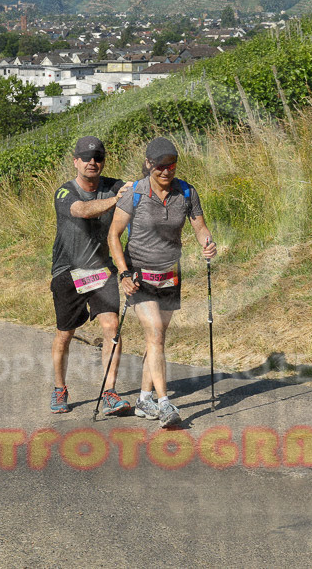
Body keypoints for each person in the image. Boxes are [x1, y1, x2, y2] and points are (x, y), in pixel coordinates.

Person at [107, 137, 216, 428]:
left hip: (170, 275)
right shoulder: (136, 193)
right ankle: (165, 404)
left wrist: (208, 243)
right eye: (159, 166)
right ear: (148, 164)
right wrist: (123, 272)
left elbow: (200, 227)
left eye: (171, 166)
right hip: (139, 276)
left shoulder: (187, 192)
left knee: (157, 340)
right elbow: (113, 235)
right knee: (154, 334)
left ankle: (144, 399)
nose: (166, 172)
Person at [49, 136, 132, 415]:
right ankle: (60, 389)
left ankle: (109, 392)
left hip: (100, 270)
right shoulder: (65, 192)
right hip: (68, 272)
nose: (92, 162)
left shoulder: (114, 186)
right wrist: (116, 200)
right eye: (86, 158)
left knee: (112, 327)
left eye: (98, 158)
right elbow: (82, 211)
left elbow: (137, 192)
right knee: (65, 335)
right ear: (75, 161)